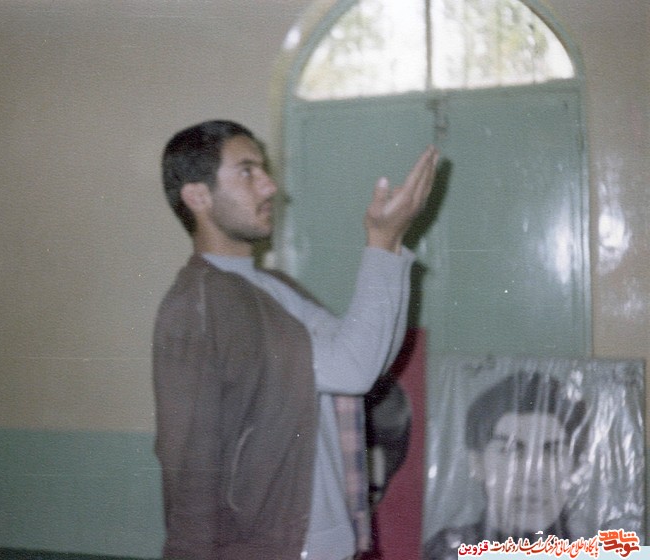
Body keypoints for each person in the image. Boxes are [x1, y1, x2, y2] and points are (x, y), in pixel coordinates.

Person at [153, 120, 438, 560]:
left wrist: (393, 241)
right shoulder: (204, 302)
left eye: (263, 170)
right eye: (247, 171)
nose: (270, 186)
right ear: (198, 197)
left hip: (329, 541)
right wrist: (381, 243)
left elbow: (368, 357)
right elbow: (185, 461)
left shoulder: (273, 287)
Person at [423, 371, 588, 559]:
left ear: (577, 468)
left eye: (553, 451)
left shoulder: (596, 554)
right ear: (477, 462)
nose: (532, 475)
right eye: (511, 450)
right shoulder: (444, 553)